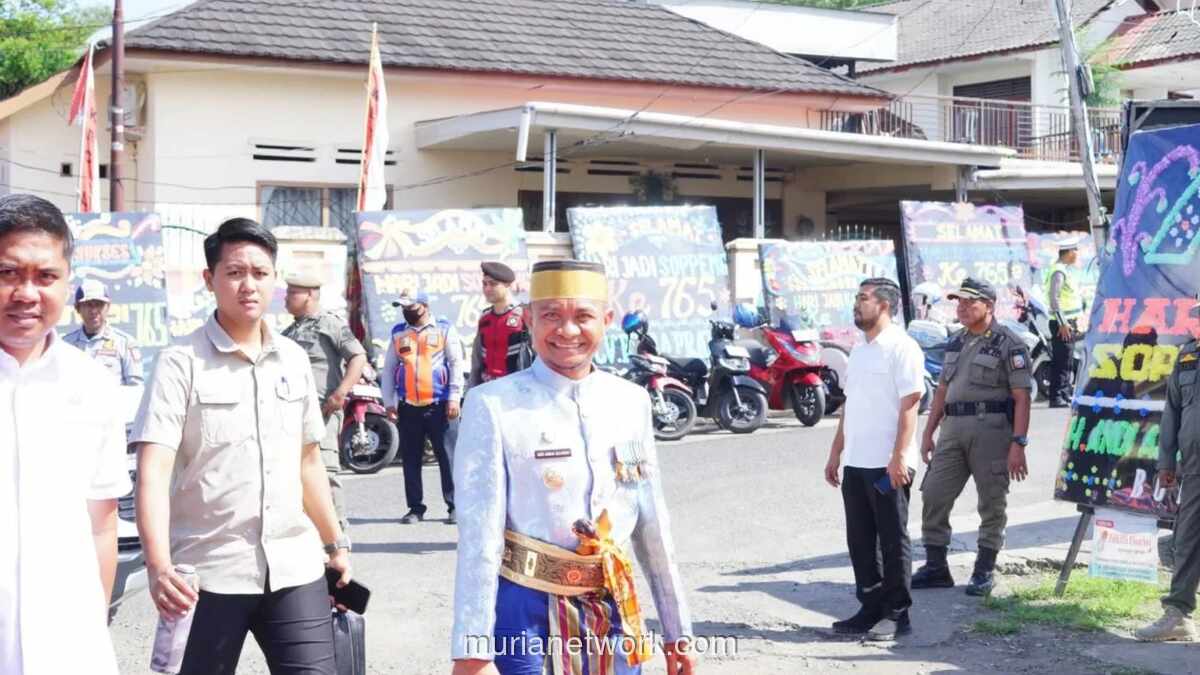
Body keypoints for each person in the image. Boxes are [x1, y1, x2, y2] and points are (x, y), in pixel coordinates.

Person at [451, 259, 695, 675]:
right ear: (529, 320)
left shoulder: (630, 401)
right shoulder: (493, 405)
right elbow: (479, 537)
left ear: (606, 320)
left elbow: (652, 525)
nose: (567, 331)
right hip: (525, 610)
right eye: (550, 315)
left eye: (583, 316)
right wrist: (471, 649)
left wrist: (677, 631)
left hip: (613, 605)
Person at [131, 218, 351, 675]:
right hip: (206, 573)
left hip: (294, 566)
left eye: (260, 273)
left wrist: (335, 544)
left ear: (274, 279)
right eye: (234, 273)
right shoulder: (180, 363)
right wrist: (158, 567)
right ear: (209, 279)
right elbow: (153, 472)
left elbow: (308, 462)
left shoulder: (293, 358)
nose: (248, 284)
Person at [0, 194, 130, 674]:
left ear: (67, 283)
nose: (26, 293)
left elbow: (101, 526)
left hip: (66, 647)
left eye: (45, 276)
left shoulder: (92, 384)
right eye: (8, 273)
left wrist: (91, 630)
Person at [912, 277, 1033, 597]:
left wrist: (1019, 444)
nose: (962, 308)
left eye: (970, 302)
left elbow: (1022, 398)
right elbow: (941, 390)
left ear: (989, 305)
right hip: (952, 429)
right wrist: (928, 432)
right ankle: (936, 566)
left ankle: (984, 569)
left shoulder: (1009, 343)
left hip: (990, 430)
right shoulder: (956, 341)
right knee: (934, 493)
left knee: (991, 500)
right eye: (959, 302)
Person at [824, 278, 925, 640]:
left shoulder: (902, 347)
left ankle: (897, 614)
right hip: (856, 462)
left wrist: (899, 456)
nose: (856, 303)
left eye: (863, 298)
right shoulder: (859, 351)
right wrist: (836, 452)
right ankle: (870, 607)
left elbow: (910, 405)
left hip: (888, 465)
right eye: (856, 297)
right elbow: (849, 406)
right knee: (861, 540)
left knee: (892, 538)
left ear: (884, 305)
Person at [282, 270, 367, 533]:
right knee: (297, 475)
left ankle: (337, 534)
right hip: (293, 413)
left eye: (292, 293)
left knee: (326, 473)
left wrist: (340, 393)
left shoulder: (330, 324)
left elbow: (358, 356)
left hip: (323, 412)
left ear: (309, 295)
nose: (286, 298)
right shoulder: (289, 332)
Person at [1135, 300, 1200, 642]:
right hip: (1194, 467)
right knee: (1187, 540)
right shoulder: (1188, 355)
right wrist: (1166, 462)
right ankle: (1178, 615)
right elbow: (1172, 410)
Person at [382, 290, 464, 524]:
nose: (406, 311)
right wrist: (389, 402)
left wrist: (454, 397)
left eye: (411, 307)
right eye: (403, 307)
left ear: (424, 306)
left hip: (440, 404)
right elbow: (389, 369)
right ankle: (415, 508)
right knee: (410, 459)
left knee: (448, 458)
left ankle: (455, 506)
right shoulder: (398, 333)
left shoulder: (444, 328)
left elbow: (456, 363)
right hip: (409, 406)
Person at [63, 278, 144, 388]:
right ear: (77, 308)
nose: (94, 311)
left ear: (108, 307)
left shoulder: (125, 343)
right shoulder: (66, 344)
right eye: (88, 305)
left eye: (99, 304)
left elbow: (135, 388)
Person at [468, 261, 529, 387]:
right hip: (486, 388)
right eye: (484, 284)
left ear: (508, 285)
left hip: (517, 388)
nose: (487, 289)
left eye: (493, 284)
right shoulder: (485, 318)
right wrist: (471, 389)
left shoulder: (525, 314)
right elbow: (476, 360)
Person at [1044, 238, 1084, 407]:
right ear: (1069, 252)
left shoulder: (1063, 269)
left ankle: (1065, 393)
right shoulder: (1058, 271)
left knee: (1067, 360)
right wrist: (1062, 323)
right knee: (1061, 361)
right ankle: (1057, 397)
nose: (1077, 255)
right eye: (1075, 251)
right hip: (1062, 324)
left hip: (1068, 323)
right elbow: (1054, 298)